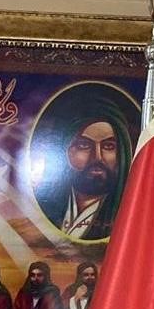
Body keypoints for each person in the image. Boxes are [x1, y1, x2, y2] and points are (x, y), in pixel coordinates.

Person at [32, 86, 137, 242]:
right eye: (84, 145)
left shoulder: (133, 214)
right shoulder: (44, 209)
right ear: (64, 149)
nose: (98, 157)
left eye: (108, 146)